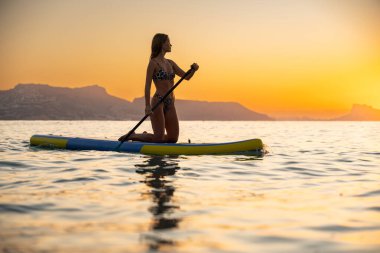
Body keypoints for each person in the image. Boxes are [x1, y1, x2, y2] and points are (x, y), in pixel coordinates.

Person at [118, 33, 199, 143]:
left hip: (170, 103)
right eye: (168, 42)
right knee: (158, 138)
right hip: (158, 102)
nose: (171, 44)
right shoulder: (153, 63)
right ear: (161, 44)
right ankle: (134, 136)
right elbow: (147, 86)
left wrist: (193, 69)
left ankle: (146, 136)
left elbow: (187, 77)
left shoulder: (170, 63)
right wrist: (147, 106)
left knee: (173, 139)